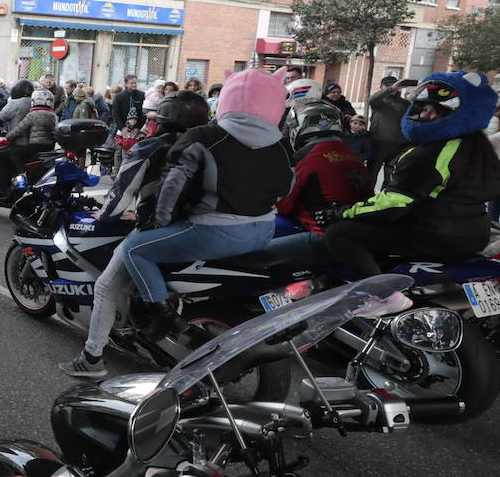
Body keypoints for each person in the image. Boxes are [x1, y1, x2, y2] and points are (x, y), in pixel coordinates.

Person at [120, 68, 293, 347]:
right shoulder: (282, 145)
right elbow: (286, 188)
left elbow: (172, 188)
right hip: (264, 230)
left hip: (215, 233)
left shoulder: (204, 136)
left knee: (134, 250)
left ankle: (160, 312)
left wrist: (157, 223)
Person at [313, 72, 500, 314]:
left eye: (436, 111)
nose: (424, 115)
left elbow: (394, 203)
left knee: (340, 233)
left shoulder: (434, 151)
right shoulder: (474, 145)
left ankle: (384, 297)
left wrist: (343, 213)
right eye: (423, 108)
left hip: (436, 233)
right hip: (471, 232)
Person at [59, 90, 211, 377]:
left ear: (162, 120)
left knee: (105, 286)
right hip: (209, 230)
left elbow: (121, 192)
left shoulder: (152, 147)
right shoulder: (210, 146)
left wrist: (104, 217)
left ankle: (92, 359)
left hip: (159, 230)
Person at [272, 103, 370, 235]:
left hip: (324, 233)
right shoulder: (351, 154)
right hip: (360, 228)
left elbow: (283, 205)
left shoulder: (303, 157)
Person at [0, 88, 58, 202]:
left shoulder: (33, 114)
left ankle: (22, 177)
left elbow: (19, 129)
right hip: (49, 147)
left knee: (14, 154)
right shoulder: (53, 115)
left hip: (36, 146)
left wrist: (7, 137)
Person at [366, 76, 415, 190]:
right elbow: (370, 100)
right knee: (371, 174)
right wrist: (391, 89)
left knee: (390, 176)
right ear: (381, 87)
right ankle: (366, 198)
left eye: (394, 85)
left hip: (398, 146)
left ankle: (383, 200)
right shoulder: (378, 102)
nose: (392, 88)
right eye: (387, 85)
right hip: (378, 144)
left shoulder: (404, 103)